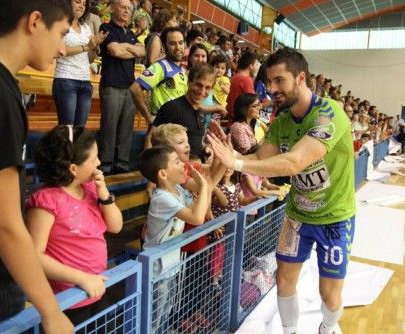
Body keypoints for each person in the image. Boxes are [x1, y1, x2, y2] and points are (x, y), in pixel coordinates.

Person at [207, 47, 356, 334]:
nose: (272, 88)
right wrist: (227, 159)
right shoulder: (283, 120)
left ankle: (327, 327)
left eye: (279, 81)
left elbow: (293, 162)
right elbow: (262, 159)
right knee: (284, 280)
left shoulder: (329, 114)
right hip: (297, 215)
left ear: (300, 78)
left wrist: (236, 161)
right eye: (269, 81)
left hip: (334, 217)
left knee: (330, 295)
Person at [0, 1, 75, 332]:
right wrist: (51, 312)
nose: (63, 49)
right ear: (35, 21)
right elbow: (3, 225)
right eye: (62, 33)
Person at [26, 126, 123, 325]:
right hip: (68, 300)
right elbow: (34, 257)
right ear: (73, 169)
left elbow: (116, 227)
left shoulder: (90, 189)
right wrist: (81, 278)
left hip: (97, 288)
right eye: (94, 158)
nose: (99, 163)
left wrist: (104, 194)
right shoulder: (46, 201)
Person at [137, 146, 209, 333]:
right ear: (163, 173)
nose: (183, 164)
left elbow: (192, 208)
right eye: (176, 161)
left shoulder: (177, 189)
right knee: (153, 317)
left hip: (171, 264)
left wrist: (200, 193)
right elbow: (196, 217)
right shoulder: (161, 198)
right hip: (156, 269)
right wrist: (204, 187)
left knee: (166, 310)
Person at [98, 0, 145, 174]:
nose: (126, 11)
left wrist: (124, 47)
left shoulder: (130, 33)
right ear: (112, 8)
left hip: (130, 86)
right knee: (109, 127)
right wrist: (130, 50)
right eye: (123, 7)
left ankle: (122, 164)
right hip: (111, 84)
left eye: (129, 9)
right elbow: (115, 51)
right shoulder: (105, 27)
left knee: (126, 127)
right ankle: (105, 165)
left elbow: (142, 52)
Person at [53, 0, 108, 127]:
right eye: (77, 2)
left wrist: (95, 47)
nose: (81, 6)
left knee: (80, 129)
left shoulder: (86, 27)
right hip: (66, 79)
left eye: (84, 4)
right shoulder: (59, 24)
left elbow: (89, 59)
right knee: (67, 128)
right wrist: (86, 46)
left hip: (85, 81)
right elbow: (57, 51)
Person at [130, 26, 187, 147]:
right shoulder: (160, 67)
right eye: (172, 43)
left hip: (177, 131)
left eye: (181, 43)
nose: (178, 47)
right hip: (162, 132)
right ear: (164, 47)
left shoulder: (182, 70)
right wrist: (148, 116)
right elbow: (135, 88)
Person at [152, 63, 215, 159]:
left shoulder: (200, 111)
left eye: (207, 88)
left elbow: (195, 142)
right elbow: (151, 139)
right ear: (189, 82)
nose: (202, 91)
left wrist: (206, 149)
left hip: (196, 167)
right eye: (199, 85)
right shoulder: (172, 107)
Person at [226, 51, 259, 124]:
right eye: (256, 65)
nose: (257, 68)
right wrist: (271, 102)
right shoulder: (246, 80)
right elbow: (253, 104)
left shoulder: (234, 77)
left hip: (232, 120)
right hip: (241, 122)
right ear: (250, 66)